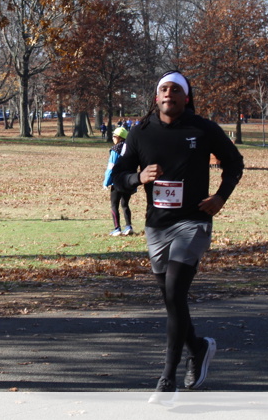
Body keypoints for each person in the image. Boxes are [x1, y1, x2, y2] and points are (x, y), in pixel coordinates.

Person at [113, 71, 244, 403]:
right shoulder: (141, 132)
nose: (168, 94)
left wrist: (220, 197)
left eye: (175, 89)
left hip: (193, 222)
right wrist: (138, 177)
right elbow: (118, 176)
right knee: (173, 301)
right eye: (163, 89)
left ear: (186, 97)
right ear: (156, 97)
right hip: (157, 225)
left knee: (174, 292)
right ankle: (197, 347)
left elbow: (234, 163)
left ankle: (167, 380)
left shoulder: (203, 129)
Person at [103, 126, 135, 236]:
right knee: (125, 204)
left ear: (119, 138)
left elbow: (111, 166)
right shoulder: (131, 148)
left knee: (114, 205)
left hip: (117, 181)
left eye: (114, 136)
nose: (112, 138)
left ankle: (117, 228)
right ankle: (129, 226)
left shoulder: (115, 149)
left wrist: (106, 182)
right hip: (129, 180)